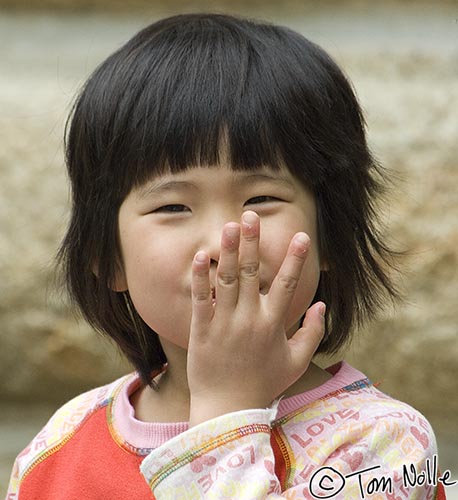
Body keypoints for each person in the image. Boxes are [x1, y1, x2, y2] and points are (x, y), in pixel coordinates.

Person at [7, 13, 447, 500]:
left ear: (332, 235)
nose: (224, 242)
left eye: (261, 199)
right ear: (107, 258)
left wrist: (226, 413)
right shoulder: (61, 445)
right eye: (172, 206)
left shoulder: (383, 446)